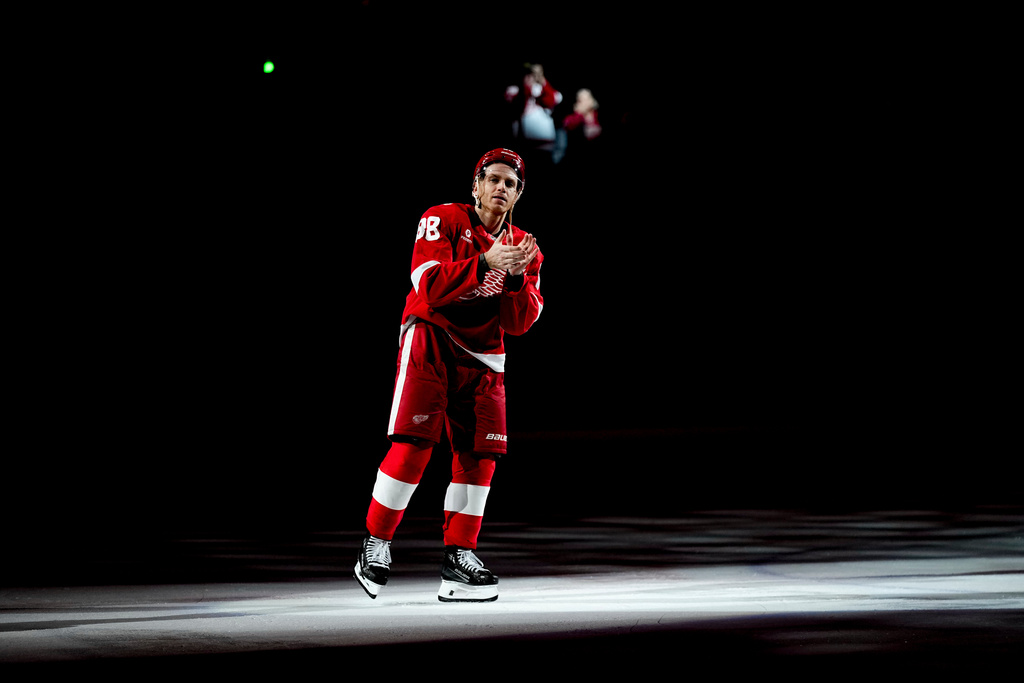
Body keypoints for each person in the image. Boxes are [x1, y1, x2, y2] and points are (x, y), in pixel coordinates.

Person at [355, 148, 544, 603]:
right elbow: (429, 285)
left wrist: (516, 278)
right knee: (414, 444)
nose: (501, 187)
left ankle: (460, 557)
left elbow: (519, 323)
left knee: (480, 455)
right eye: (493, 178)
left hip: (485, 355)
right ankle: (376, 543)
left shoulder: (526, 248)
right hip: (432, 336)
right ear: (475, 185)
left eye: (511, 183)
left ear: (519, 194)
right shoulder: (441, 218)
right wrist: (486, 263)